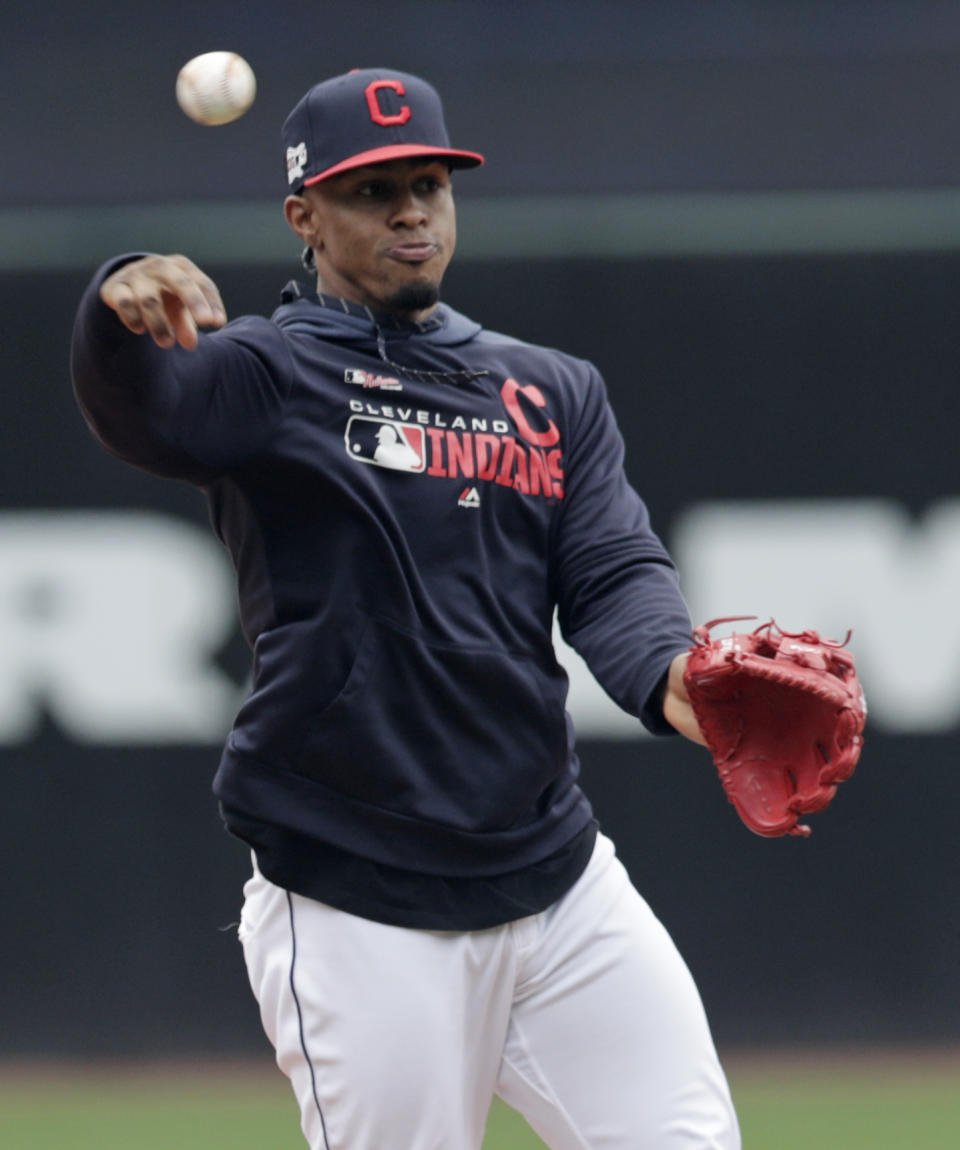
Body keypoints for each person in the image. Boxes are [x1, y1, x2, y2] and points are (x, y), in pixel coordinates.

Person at [71, 67, 740, 1150]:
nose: (410, 211)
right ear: (306, 218)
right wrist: (116, 306)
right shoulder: (268, 373)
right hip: (357, 895)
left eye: (428, 183)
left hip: (558, 881)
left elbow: (613, 571)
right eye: (372, 192)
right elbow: (154, 415)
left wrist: (675, 682)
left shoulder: (548, 388)